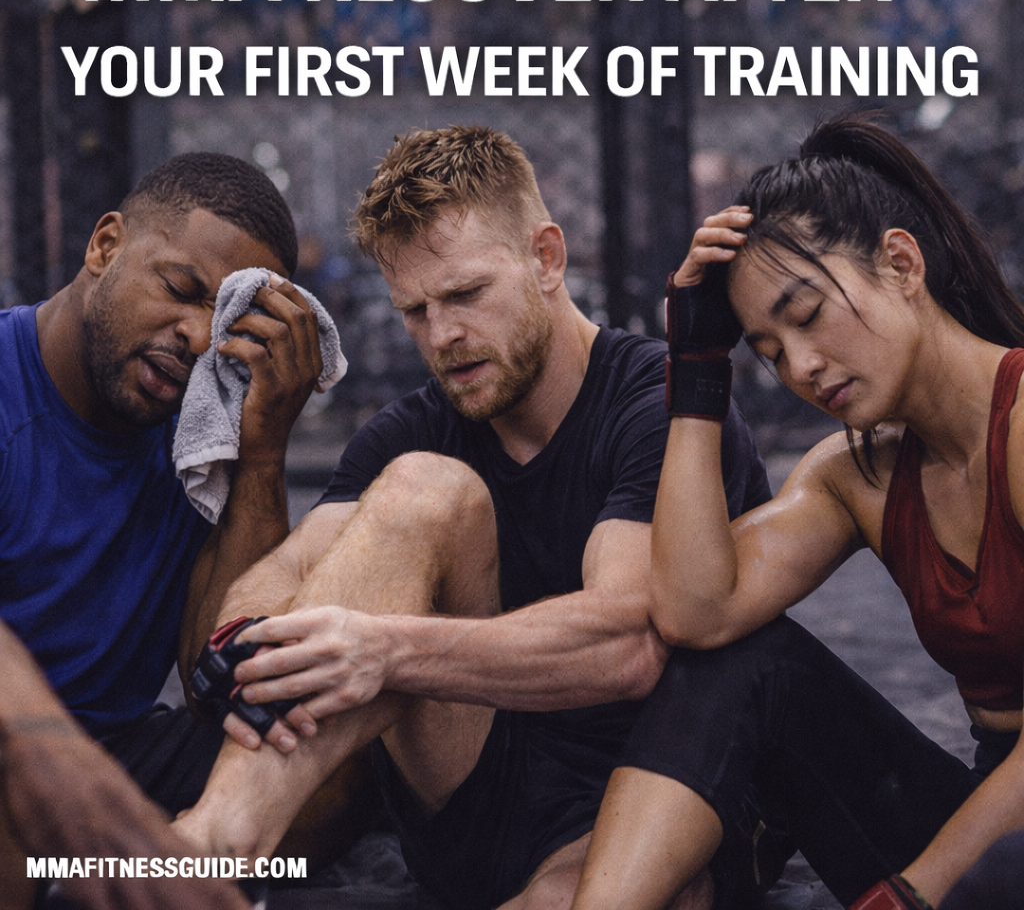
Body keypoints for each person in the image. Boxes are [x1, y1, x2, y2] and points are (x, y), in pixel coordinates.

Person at [169, 125, 771, 910]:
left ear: (546, 258)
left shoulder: (659, 401)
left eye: (465, 294)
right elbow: (285, 577)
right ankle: (211, 849)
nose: (441, 335)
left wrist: (382, 649)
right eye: (414, 310)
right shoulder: (411, 430)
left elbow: (626, 644)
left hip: (655, 793)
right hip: (470, 797)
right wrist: (251, 634)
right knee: (424, 488)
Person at [569, 118, 1024, 910]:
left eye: (807, 315)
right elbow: (693, 613)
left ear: (900, 262)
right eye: (770, 353)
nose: (802, 368)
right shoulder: (860, 474)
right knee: (744, 663)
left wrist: (911, 895)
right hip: (988, 819)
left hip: (990, 858)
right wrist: (698, 371)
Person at [0, 152, 334, 910]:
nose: (194, 337)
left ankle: (176, 868)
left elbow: (216, 677)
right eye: (180, 290)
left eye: (224, 323)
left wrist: (263, 451)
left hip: (121, 754)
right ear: (105, 246)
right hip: (20, 750)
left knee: (337, 752)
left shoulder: (199, 439)